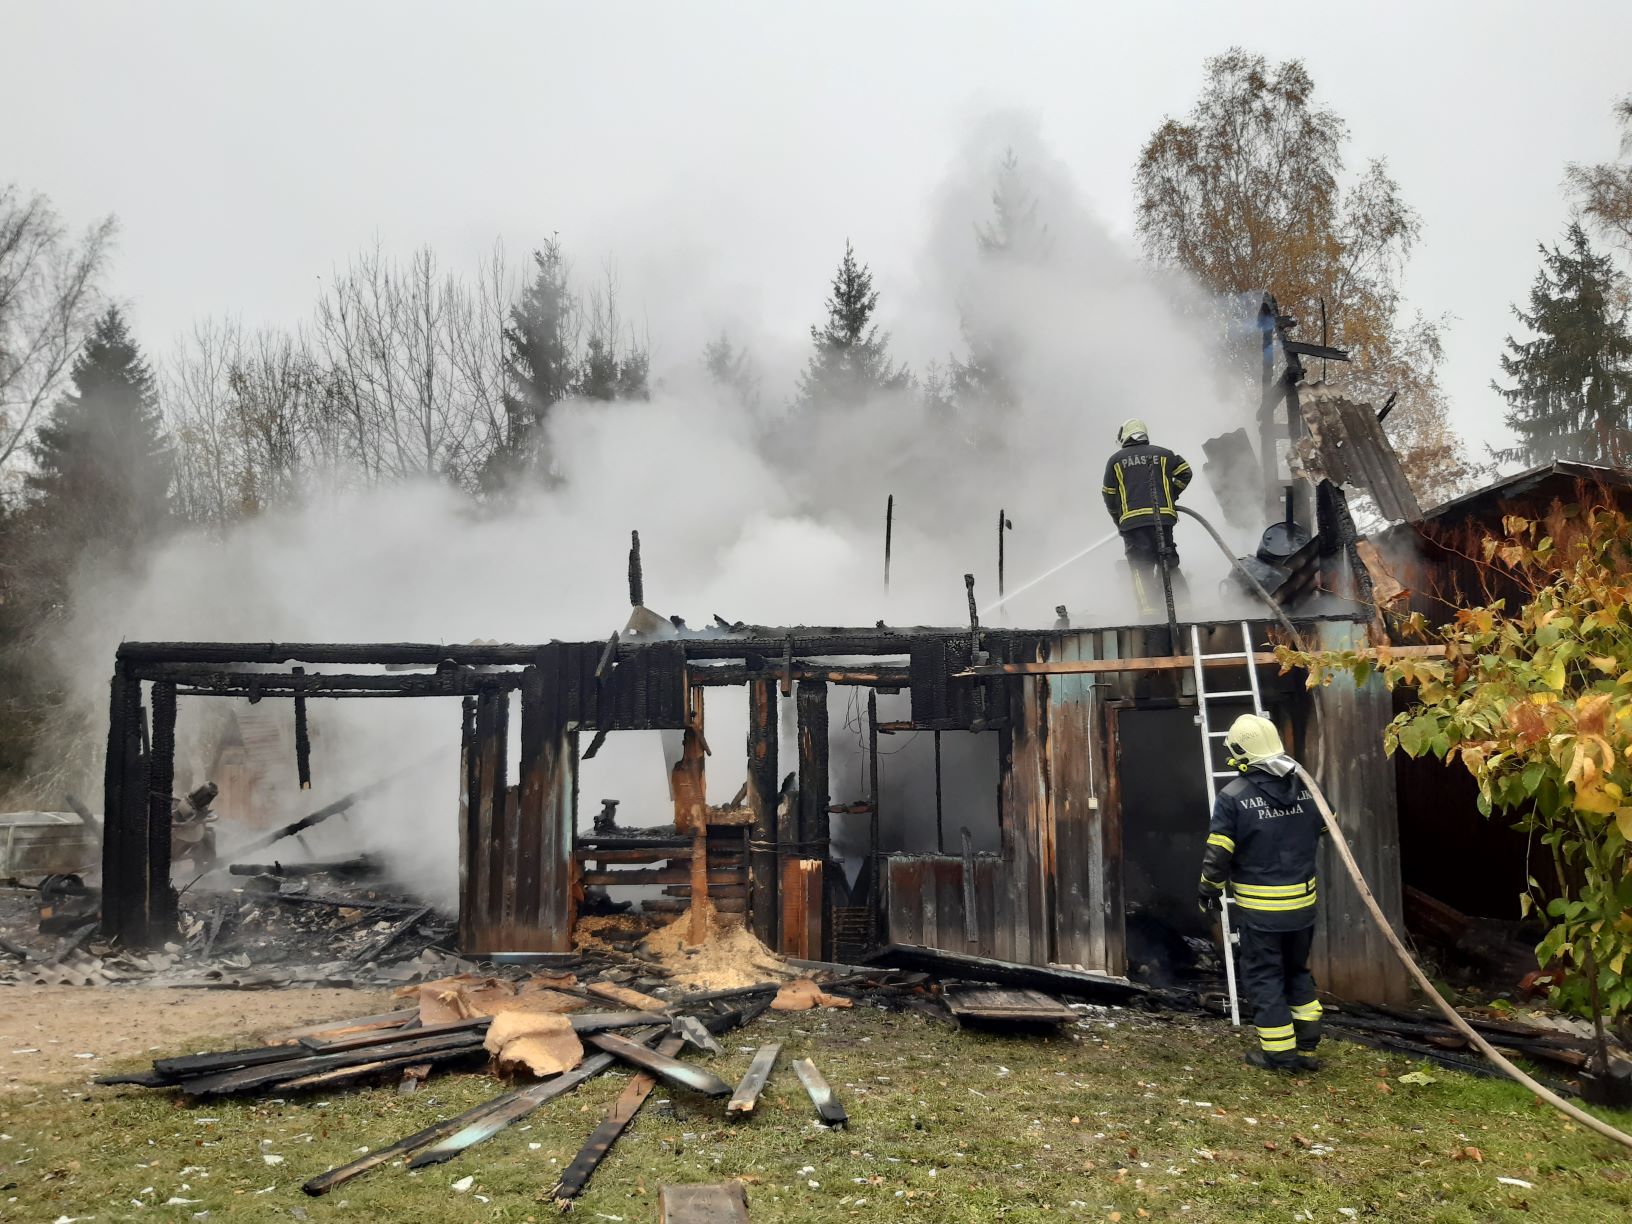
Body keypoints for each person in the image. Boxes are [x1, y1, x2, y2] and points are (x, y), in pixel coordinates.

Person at [1197, 713, 1325, 1072]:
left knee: (1265, 976)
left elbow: (1219, 850)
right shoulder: (1306, 787)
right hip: (1303, 908)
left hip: (1262, 912)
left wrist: (1209, 889)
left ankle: (1280, 1054)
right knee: (1297, 971)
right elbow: (1325, 827)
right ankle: (1307, 1049)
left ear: (1242, 752)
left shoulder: (1233, 796)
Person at [1100, 418, 1191, 617]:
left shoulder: (1116, 460)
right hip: (1164, 517)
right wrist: (1170, 496)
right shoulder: (1164, 454)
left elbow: (1108, 494)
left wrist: (1117, 518)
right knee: (1168, 560)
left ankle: (1149, 611)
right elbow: (1185, 473)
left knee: (1141, 567)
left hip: (1133, 522)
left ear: (1125, 436)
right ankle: (1184, 605)